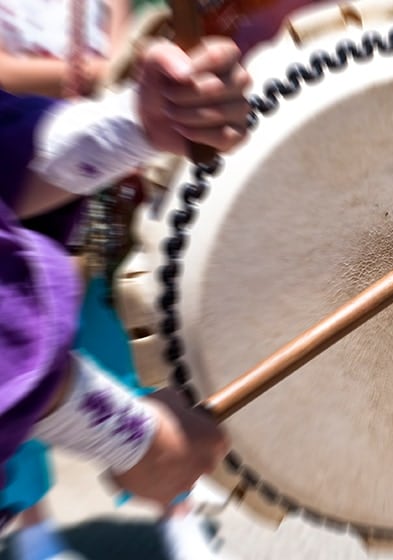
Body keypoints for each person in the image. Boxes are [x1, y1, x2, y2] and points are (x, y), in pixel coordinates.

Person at [0, 3, 235, 558]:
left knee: (133, 345)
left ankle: (179, 518)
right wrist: (131, 437)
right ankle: (37, 534)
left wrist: (138, 123)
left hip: (96, 207)